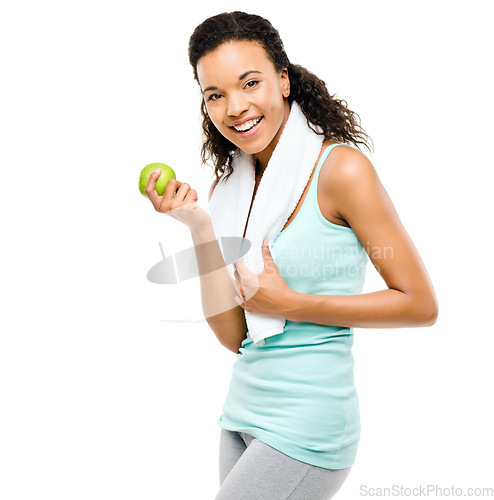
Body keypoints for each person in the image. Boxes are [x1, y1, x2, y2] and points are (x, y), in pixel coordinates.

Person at [145, 11, 438, 500]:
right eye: (214, 95)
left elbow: (420, 304)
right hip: (240, 415)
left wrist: (291, 305)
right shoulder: (232, 189)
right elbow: (234, 335)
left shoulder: (340, 170)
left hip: (307, 426)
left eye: (250, 83)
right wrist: (199, 227)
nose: (234, 107)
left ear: (283, 81)